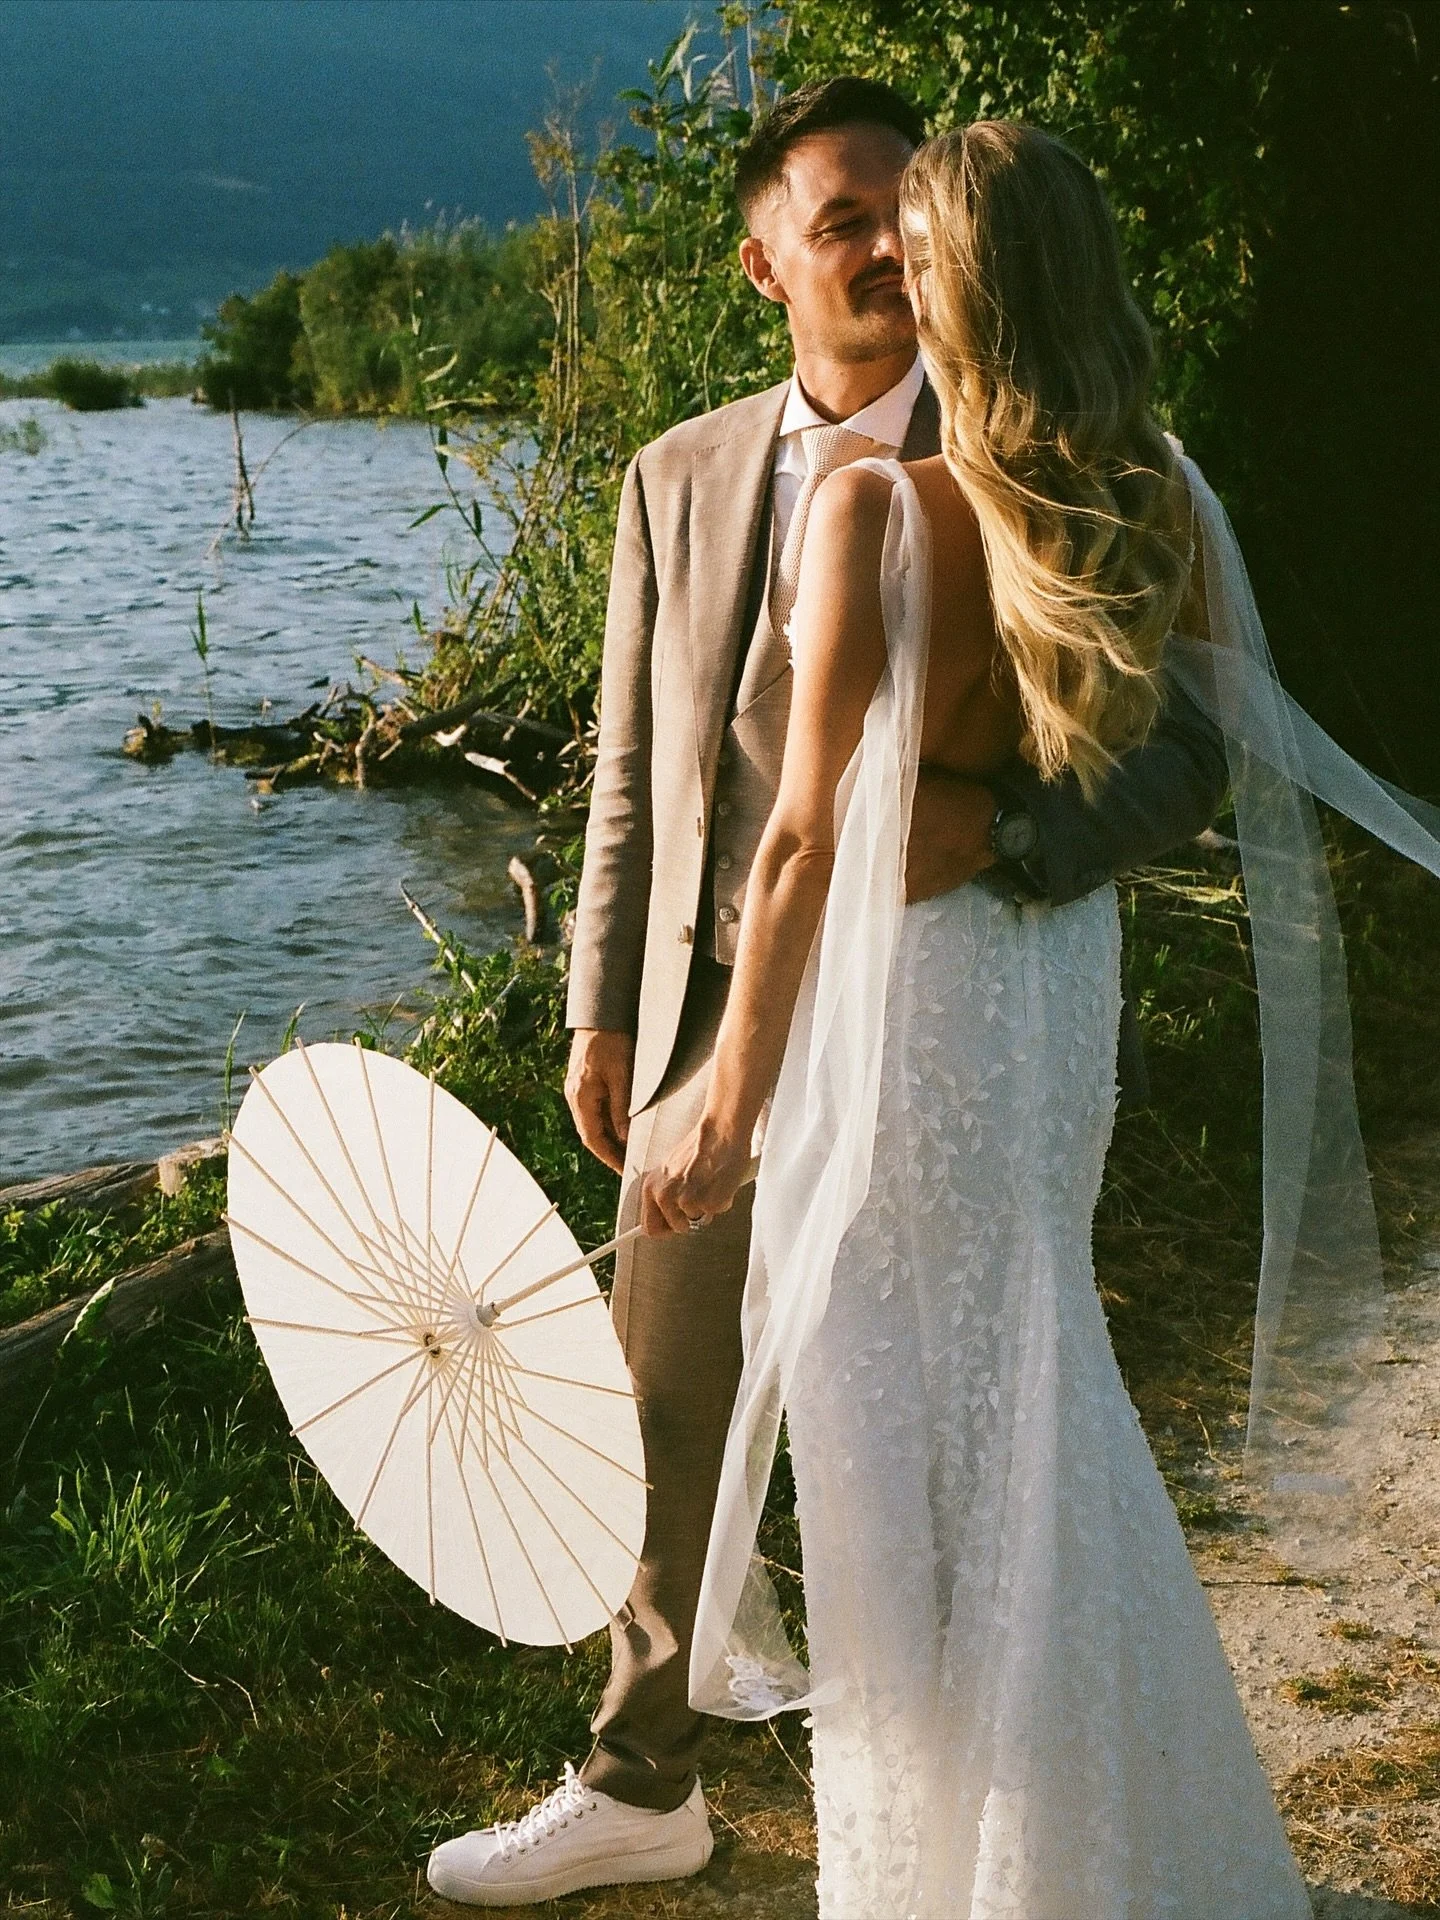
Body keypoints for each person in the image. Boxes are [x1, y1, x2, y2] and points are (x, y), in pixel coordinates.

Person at [427, 80, 1228, 1909]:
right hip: (715, 1000)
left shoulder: (1034, 449)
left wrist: (1006, 837)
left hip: (933, 992)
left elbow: (1184, 751)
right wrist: (601, 1009)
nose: (880, 244)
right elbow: (634, 769)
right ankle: (645, 1776)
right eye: (842, 217)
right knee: (665, 1383)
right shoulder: (677, 470)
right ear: (763, 258)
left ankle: (983, 1801)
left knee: (925, 1390)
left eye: (903, 213)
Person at [639, 119, 1317, 1917]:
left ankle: (944, 1878)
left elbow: (799, 844)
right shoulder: (1150, 496)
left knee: (881, 1448)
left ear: (967, 283)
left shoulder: (879, 507)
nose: (889, 275)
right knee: (1037, 1384)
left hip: (902, 999)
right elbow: (1224, 734)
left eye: (912, 248)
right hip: (1044, 995)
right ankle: (1097, 1849)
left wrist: (729, 1095)